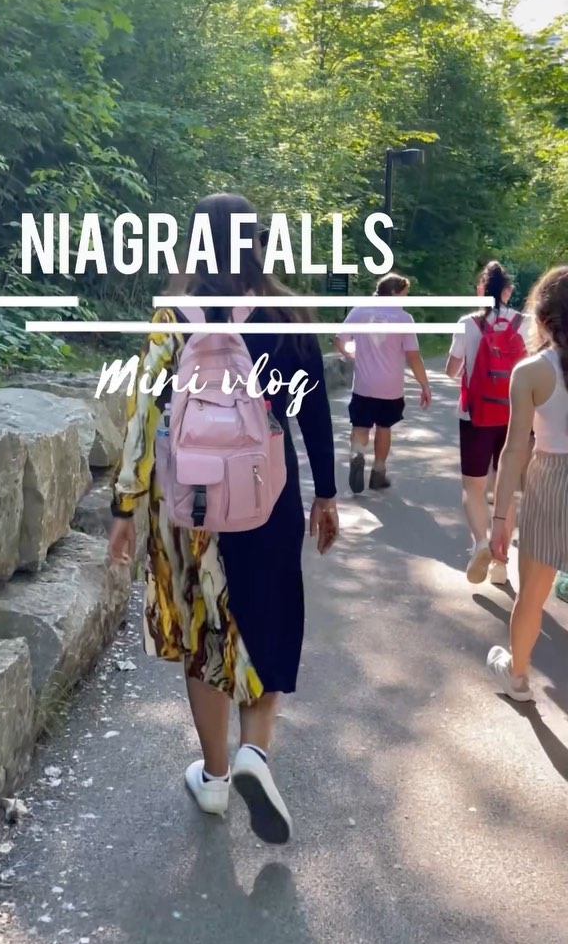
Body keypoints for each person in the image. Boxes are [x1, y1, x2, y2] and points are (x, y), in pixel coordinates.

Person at [108, 193, 339, 844]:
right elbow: (314, 411)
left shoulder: (174, 315)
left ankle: (213, 778)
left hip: (192, 506)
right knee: (269, 617)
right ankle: (254, 752)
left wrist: (126, 505)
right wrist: (325, 495)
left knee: (205, 635)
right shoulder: (286, 311)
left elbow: (144, 414)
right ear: (257, 242)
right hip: (267, 493)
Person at [488, 265, 568, 700]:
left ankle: (517, 677)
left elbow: (514, 450)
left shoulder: (532, 371)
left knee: (531, 597)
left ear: (541, 317)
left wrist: (500, 519)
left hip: (550, 483)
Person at [446, 261, 530, 585]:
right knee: (504, 489)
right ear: (508, 290)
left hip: (475, 415)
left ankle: (480, 542)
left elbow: (452, 370)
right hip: (514, 416)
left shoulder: (467, 323)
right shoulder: (525, 323)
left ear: (480, 289)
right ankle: (500, 563)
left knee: (474, 486)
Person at [334, 272, 431, 494]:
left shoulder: (359, 311)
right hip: (391, 388)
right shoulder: (404, 319)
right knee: (384, 427)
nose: (405, 299)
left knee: (360, 426)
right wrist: (424, 384)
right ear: (394, 292)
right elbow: (413, 356)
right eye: (404, 294)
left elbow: (340, 340)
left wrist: (352, 355)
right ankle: (378, 472)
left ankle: (358, 452)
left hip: (363, 386)